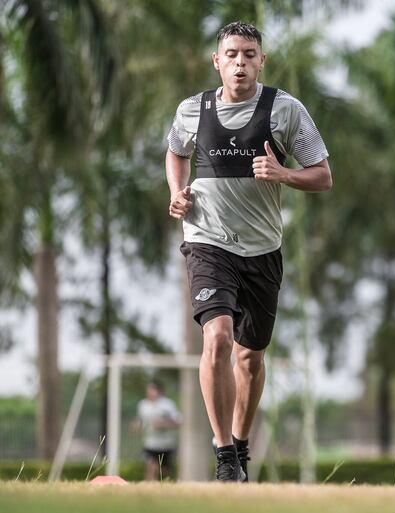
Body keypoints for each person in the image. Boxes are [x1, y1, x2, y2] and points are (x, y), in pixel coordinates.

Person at [165, 21, 332, 482]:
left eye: (250, 54)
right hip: (207, 241)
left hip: (262, 250)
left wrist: (283, 174)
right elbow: (176, 151)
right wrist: (178, 192)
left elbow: (322, 175)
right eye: (232, 54)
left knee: (250, 356)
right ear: (217, 61)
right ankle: (223, 457)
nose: (241, 63)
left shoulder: (285, 110)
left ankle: (240, 445)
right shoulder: (192, 110)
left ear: (262, 61)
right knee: (217, 337)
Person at [135, 380, 182, 481]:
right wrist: (138, 425)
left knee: (164, 470)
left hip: (166, 443)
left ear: (159, 391)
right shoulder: (143, 405)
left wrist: (163, 424)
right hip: (150, 442)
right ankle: (149, 487)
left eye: (153, 390)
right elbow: (140, 420)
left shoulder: (168, 404)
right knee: (151, 465)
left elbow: (178, 422)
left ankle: (170, 483)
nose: (151, 392)